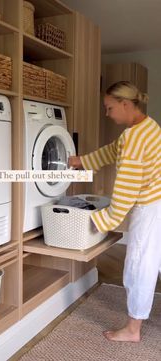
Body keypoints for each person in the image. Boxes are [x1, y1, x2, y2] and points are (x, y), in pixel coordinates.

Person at [69, 80, 161, 342]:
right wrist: (82, 160)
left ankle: (133, 330)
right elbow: (113, 151)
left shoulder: (134, 139)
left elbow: (126, 190)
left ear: (124, 104)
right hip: (160, 200)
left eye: (109, 108)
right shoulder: (146, 126)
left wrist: (104, 219)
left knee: (139, 265)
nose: (107, 114)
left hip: (152, 208)